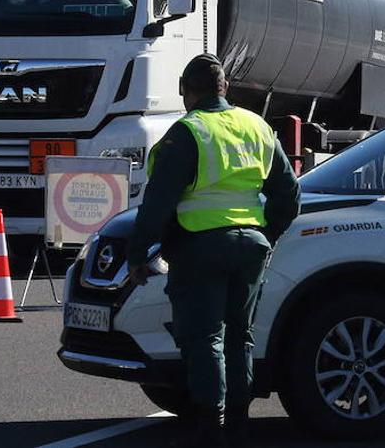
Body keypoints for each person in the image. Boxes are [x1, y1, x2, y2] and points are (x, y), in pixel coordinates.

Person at [127, 54, 300, 447]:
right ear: (225, 88)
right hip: (250, 246)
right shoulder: (256, 126)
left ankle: (210, 428)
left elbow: (157, 204)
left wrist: (137, 255)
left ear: (187, 92)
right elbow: (289, 194)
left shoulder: (188, 132)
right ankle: (238, 425)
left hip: (199, 246)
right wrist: (266, 235)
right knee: (240, 336)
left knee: (204, 338)